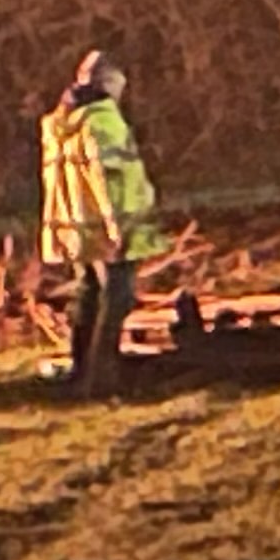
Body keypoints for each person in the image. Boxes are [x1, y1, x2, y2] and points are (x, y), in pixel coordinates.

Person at [37, 48, 168, 398]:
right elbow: (108, 180)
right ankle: (102, 376)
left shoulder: (59, 123)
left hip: (79, 228)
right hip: (113, 227)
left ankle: (82, 368)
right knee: (117, 297)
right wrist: (119, 230)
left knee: (90, 294)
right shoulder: (102, 121)